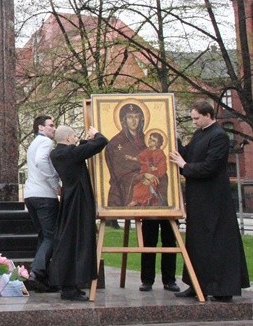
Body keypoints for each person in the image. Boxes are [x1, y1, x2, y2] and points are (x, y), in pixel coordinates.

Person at [170, 100, 249, 302]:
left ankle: (222, 288)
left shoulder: (219, 136)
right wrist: (172, 136)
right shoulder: (200, 134)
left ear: (208, 115)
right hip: (198, 197)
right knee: (197, 241)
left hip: (214, 198)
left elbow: (209, 167)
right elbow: (186, 154)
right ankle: (197, 284)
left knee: (217, 241)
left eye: (196, 118)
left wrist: (184, 165)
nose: (194, 122)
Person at [49, 125, 108, 301]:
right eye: (74, 137)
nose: (76, 139)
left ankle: (71, 284)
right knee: (77, 240)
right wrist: (96, 133)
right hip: (78, 201)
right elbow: (102, 142)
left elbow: (81, 148)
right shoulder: (71, 153)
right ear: (68, 139)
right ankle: (70, 287)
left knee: (70, 240)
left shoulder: (57, 153)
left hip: (69, 198)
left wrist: (84, 140)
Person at [23, 115, 60, 292]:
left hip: (30, 194)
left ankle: (42, 277)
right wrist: (55, 183)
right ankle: (36, 272)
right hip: (44, 195)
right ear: (41, 128)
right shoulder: (46, 143)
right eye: (51, 125)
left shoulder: (33, 144)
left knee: (43, 236)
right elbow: (41, 161)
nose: (54, 128)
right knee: (51, 236)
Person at [105, 103, 161, 207]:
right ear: (124, 120)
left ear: (141, 119)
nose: (134, 121)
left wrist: (152, 173)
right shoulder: (115, 143)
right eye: (130, 117)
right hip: (125, 184)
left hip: (148, 178)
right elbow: (118, 171)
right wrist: (141, 176)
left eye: (137, 117)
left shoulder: (148, 141)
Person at [128, 132, 167, 206]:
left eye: (153, 140)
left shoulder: (160, 153)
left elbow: (163, 166)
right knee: (138, 186)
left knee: (145, 186)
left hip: (155, 175)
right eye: (150, 138)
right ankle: (137, 200)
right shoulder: (146, 151)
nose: (150, 141)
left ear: (157, 143)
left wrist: (156, 168)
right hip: (145, 172)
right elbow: (139, 158)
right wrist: (131, 158)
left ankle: (141, 200)